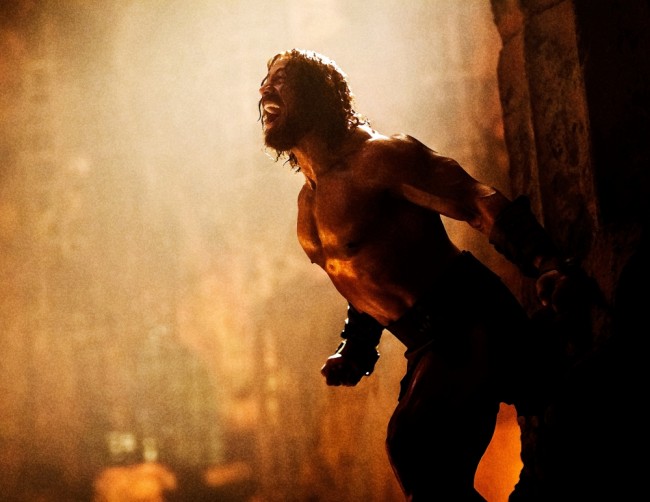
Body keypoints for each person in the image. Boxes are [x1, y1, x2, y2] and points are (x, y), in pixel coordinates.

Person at [258, 49, 572, 501]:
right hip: (424, 342)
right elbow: (364, 277)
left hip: (469, 318)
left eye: (281, 79)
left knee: (416, 444)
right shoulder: (307, 203)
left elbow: (475, 199)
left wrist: (546, 263)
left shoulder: (379, 158)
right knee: (430, 475)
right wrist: (356, 347)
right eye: (264, 81)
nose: (265, 89)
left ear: (316, 93)